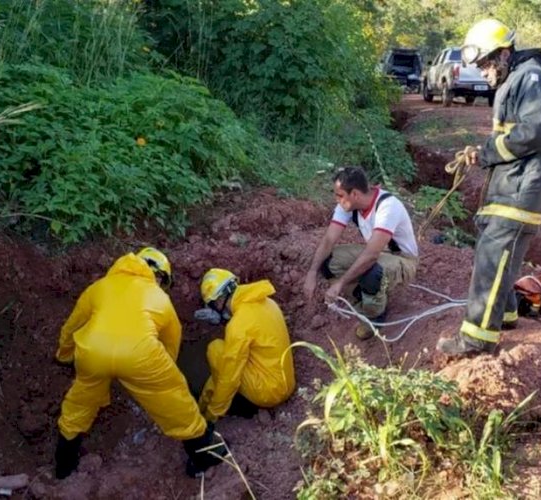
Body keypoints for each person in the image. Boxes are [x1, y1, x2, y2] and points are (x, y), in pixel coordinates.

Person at [437, 19, 541, 355]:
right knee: (494, 252)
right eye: (480, 66)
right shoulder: (519, 78)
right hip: (511, 183)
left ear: (505, 53)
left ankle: (476, 340)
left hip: (521, 186)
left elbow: (532, 134)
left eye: (487, 63)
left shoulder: (532, 78)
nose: (484, 72)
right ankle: (505, 314)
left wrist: (488, 152)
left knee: (493, 256)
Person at [53, 247, 225, 479]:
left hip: (93, 353)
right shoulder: (159, 297)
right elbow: (171, 343)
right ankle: (206, 458)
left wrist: (64, 356)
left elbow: (72, 326)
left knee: (79, 404)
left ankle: (64, 467)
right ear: (160, 276)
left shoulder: (99, 287)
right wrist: (163, 378)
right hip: (141, 355)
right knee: (178, 407)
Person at [303, 167, 419, 339]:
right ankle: (365, 298)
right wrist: (312, 272)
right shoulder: (348, 205)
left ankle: (374, 318)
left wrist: (340, 284)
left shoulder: (387, 206)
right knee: (327, 262)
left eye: (340, 195)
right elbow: (328, 240)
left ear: (355, 194)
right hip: (378, 255)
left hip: (402, 260)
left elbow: (371, 255)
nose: (337, 200)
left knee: (372, 273)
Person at [194, 268, 295, 421]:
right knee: (226, 359)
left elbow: (229, 378)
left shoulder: (238, 326)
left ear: (220, 300)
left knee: (216, 350)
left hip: (270, 393)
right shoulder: (267, 302)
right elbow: (252, 330)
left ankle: (207, 408)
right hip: (286, 382)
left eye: (211, 305)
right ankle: (204, 401)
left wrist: (211, 414)